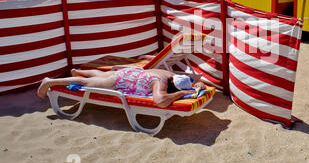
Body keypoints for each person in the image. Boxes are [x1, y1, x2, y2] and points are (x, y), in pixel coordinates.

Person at [37, 66, 207, 108]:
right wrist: (183, 93)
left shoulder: (169, 73)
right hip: (121, 82)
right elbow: (161, 101)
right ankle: (49, 82)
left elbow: (198, 83)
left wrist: (196, 85)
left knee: (103, 75)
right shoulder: (161, 83)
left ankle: (78, 71)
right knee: (86, 83)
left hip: (128, 73)